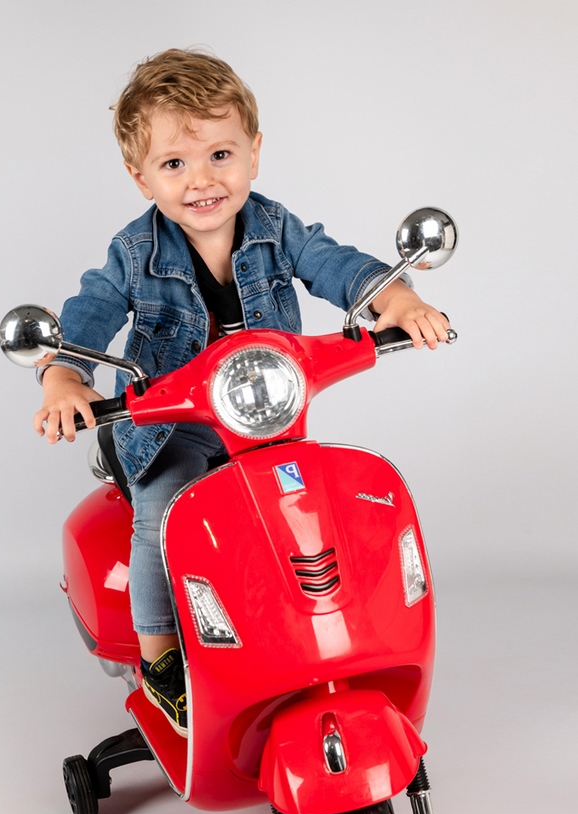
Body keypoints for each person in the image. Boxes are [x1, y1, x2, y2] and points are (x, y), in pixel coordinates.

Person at [33, 48, 451, 737]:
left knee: (309, 511)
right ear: (141, 178)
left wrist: (393, 296)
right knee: (161, 516)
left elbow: (331, 262)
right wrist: (64, 375)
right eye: (175, 165)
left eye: (220, 155)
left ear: (254, 152)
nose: (202, 180)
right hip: (173, 424)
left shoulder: (275, 225)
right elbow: (91, 308)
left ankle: (312, 634)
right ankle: (162, 657)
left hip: (265, 419)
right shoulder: (133, 253)